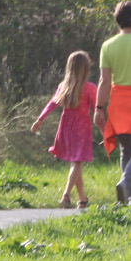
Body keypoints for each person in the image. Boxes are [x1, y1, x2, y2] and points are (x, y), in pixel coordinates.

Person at [92, 0, 131, 204]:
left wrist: (98, 108)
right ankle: (126, 183)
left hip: (118, 101)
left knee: (125, 149)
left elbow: (104, 81)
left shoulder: (108, 45)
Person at [31, 51, 96, 209]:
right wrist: (105, 128)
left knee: (76, 162)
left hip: (66, 127)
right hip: (82, 128)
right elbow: (96, 110)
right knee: (77, 162)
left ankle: (82, 199)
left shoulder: (63, 87)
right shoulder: (90, 88)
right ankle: (66, 195)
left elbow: (51, 104)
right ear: (86, 68)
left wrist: (40, 119)